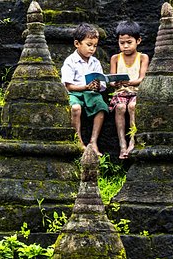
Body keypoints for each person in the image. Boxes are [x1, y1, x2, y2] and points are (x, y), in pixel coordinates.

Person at [61, 23, 109, 154]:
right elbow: (68, 86)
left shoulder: (95, 62)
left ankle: (93, 141)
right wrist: (85, 86)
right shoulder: (70, 61)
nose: (92, 49)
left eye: (95, 46)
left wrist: (98, 86)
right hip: (75, 93)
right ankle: (79, 141)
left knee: (101, 106)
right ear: (77, 43)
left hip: (91, 93)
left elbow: (102, 84)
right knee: (75, 108)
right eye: (89, 45)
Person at [109, 20, 149, 159]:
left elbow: (142, 78)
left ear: (138, 41)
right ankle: (122, 144)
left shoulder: (143, 57)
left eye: (129, 42)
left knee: (132, 106)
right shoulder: (115, 58)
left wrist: (130, 82)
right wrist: (116, 83)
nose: (125, 46)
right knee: (120, 107)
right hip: (120, 92)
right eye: (122, 43)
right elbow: (112, 80)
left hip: (136, 92)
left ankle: (133, 140)